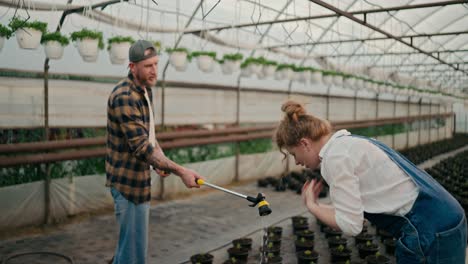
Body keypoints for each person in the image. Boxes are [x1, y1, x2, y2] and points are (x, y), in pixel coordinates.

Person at [274, 100, 466, 264]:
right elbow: (354, 214)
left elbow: (352, 226)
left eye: (293, 154)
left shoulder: (335, 158)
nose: (297, 162)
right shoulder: (350, 143)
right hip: (446, 216)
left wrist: (313, 207)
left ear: (305, 144)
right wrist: (315, 205)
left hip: (428, 230)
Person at [105, 39, 204, 264]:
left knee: (135, 251)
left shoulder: (145, 91)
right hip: (127, 184)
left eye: (156, 64)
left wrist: (159, 161)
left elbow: (149, 136)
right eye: (148, 66)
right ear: (133, 67)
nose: (154, 70)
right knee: (131, 254)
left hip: (141, 182)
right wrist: (181, 171)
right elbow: (141, 147)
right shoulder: (124, 96)